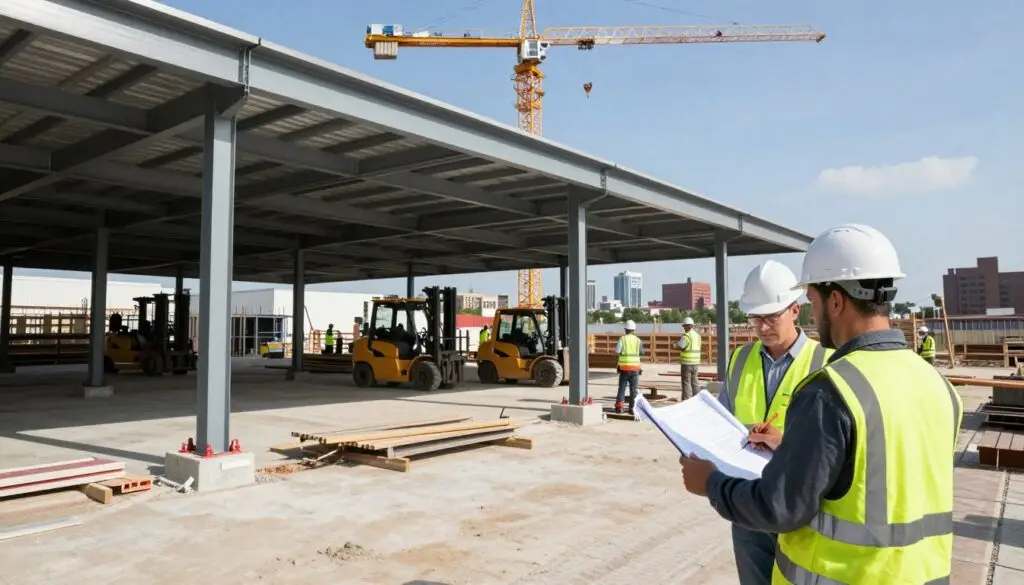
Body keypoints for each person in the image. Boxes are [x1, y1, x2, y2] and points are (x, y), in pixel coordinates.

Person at [679, 223, 963, 584]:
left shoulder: (832, 389)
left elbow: (781, 507)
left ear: (836, 300)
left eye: (811, 301)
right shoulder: (939, 385)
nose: (813, 314)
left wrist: (711, 483)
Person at [716, 260, 832, 585]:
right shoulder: (740, 359)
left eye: (771, 316)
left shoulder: (825, 362)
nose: (763, 326)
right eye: (756, 317)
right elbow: (724, 420)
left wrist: (786, 443)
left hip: (801, 507)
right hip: (748, 502)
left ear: (795, 311)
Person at [615, 319, 643, 413]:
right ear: (634, 330)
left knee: (622, 388)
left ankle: (619, 407)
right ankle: (632, 408)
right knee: (634, 390)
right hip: (635, 369)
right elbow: (642, 352)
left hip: (624, 369)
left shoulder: (622, 339)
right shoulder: (638, 340)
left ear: (625, 329)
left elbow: (617, 351)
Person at [677, 317, 701, 400]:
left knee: (686, 382)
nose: (684, 328)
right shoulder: (697, 336)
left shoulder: (686, 336)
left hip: (687, 363)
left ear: (688, 326)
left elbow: (681, 346)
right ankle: (698, 399)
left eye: (684, 326)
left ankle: (686, 401)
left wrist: (674, 345)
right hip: (696, 362)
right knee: (695, 381)